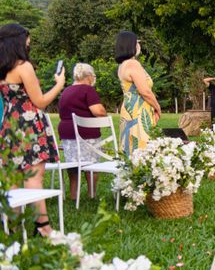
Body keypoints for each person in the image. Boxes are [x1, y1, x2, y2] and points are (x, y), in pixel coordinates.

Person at [0, 23, 64, 236]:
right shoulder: (23, 67)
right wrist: (59, 84)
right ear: (18, 41)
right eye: (27, 38)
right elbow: (40, 101)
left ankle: (14, 226)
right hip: (29, 126)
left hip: (10, 125)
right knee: (34, 177)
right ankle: (43, 227)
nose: (29, 43)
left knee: (14, 179)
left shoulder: (2, 68)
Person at [57, 63, 108, 199]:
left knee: (73, 164)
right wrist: (105, 114)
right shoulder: (87, 90)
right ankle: (92, 194)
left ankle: (74, 195)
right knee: (92, 164)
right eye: (94, 76)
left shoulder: (66, 91)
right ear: (89, 76)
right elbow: (98, 111)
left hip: (67, 134)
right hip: (85, 133)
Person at [115, 31, 161, 156]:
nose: (139, 46)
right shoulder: (133, 64)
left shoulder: (122, 65)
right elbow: (145, 92)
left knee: (130, 148)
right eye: (137, 43)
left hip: (129, 109)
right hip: (138, 111)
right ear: (131, 45)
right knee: (141, 149)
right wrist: (158, 107)